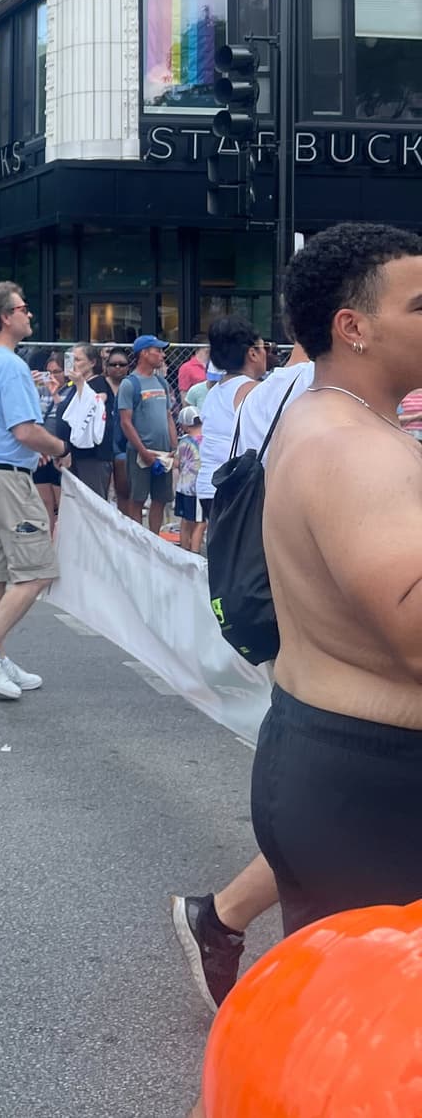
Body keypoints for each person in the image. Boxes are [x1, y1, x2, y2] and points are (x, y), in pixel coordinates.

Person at [246, 222, 422, 937]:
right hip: (371, 790)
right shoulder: (356, 451)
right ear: (353, 327)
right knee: (373, 1033)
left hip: (331, 761)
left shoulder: (325, 418)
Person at [171, 341, 313, 1014]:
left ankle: (224, 917)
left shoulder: (261, 391)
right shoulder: (324, 397)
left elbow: (220, 477)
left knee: (352, 805)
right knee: (346, 801)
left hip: (288, 599)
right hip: (327, 607)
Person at [0, 282, 66, 701]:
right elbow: (25, 430)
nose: (29, 315)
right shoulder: (10, 365)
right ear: (5, 316)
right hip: (7, 479)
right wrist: (59, 449)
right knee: (38, 570)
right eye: (23, 308)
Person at [193, 315, 268, 527]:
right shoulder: (252, 390)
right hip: (234, 488)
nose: (266, 354)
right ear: (252, 353)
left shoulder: (214, 392)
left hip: (209, 484)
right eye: (265, 347)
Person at [117, 336, 178, 536]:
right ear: (144, 353)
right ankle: (137, 540)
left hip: (164, 452)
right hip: (140, 452)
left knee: (160, 499)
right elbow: (125, 422)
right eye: (157, 350)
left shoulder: (161, 381)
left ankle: (154, 538)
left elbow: (168, 415)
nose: (162, 355)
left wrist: (174, 446)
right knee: (138, 498)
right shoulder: (130, 384)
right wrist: (143, 451)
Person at [61, 344, 111, 498]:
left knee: (93, 502)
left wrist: (81, 383)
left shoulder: (97, 383)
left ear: (92, 363)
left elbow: (96, 403)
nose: (74, 363)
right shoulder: (73, 385)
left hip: (92, 455)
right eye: (71, 359)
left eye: (78, 359)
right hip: (75, 453)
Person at [33, 350, 71, 534]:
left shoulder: (71, 391)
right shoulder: (39, 390)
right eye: (49, 372)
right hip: (41, 452)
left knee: (61, 503)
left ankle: (62, 542)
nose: (53, 376)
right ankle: (48, 542)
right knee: (44, 502)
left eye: (57, 371)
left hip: (59, 451)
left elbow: (67, 419)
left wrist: (56, 394)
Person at [101, 346, 132, 509]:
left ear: (128, 366)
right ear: (106, 366)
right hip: (102, 443)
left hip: (123, 444)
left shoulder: (132, 385)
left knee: (124, 491)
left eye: (122, 364)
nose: (118, 368)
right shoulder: (98, 384)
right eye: (113, 364)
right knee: (101, 492)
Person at [173, 404, 205, 554]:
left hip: (183, 487)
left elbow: (177, 463)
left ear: (185, 426)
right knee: (201, 522)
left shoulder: (183, 441)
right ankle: (195, 553)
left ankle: (184, 550)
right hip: (198, 489)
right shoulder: (205, 441)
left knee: (185, 520)